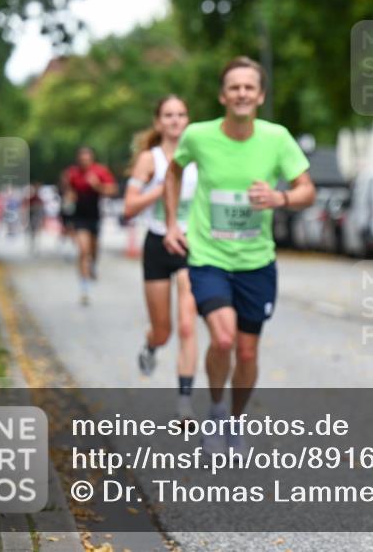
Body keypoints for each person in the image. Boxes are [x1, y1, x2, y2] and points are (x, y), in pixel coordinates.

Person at [163, 56, 315, 453]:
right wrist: (172, 224)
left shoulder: (277, 138)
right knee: (224, 338)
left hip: (257, 262)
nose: (242, 93)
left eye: (249, 87)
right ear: (222, 95)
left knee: (247, 350)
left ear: (260, 95)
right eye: (234, 87)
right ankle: (214, 410)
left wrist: (279, 197)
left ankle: (234, 421)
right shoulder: (197, 136)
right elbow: (174, 171)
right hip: (208, 257)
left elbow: (307, 190)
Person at [124, 95, 200, 420]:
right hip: (157, 243)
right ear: (158, 122)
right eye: (168, 115)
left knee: (187, 326)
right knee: (164, 330)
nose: (175, 120)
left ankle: (184, 401)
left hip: (190, 245)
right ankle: (151, 345)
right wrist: (165, 185)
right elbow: (129, 206)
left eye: (181, 114)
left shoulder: (200, 157)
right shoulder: (149, 159)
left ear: (188, 120)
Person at [61, 147, 118, 305]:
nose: (84, 162)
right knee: (83, 250)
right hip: (79, 217)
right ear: (78, 160)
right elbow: (66, 191)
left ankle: (93, 264)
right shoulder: (72, 173)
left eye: (87, 159)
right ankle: (84, 288)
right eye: (82, 160)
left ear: (92, 159)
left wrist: (97, 186)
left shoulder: (99, 171)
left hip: (95, 215)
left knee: (93, 250)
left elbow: (113, 190)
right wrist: (68, 194)